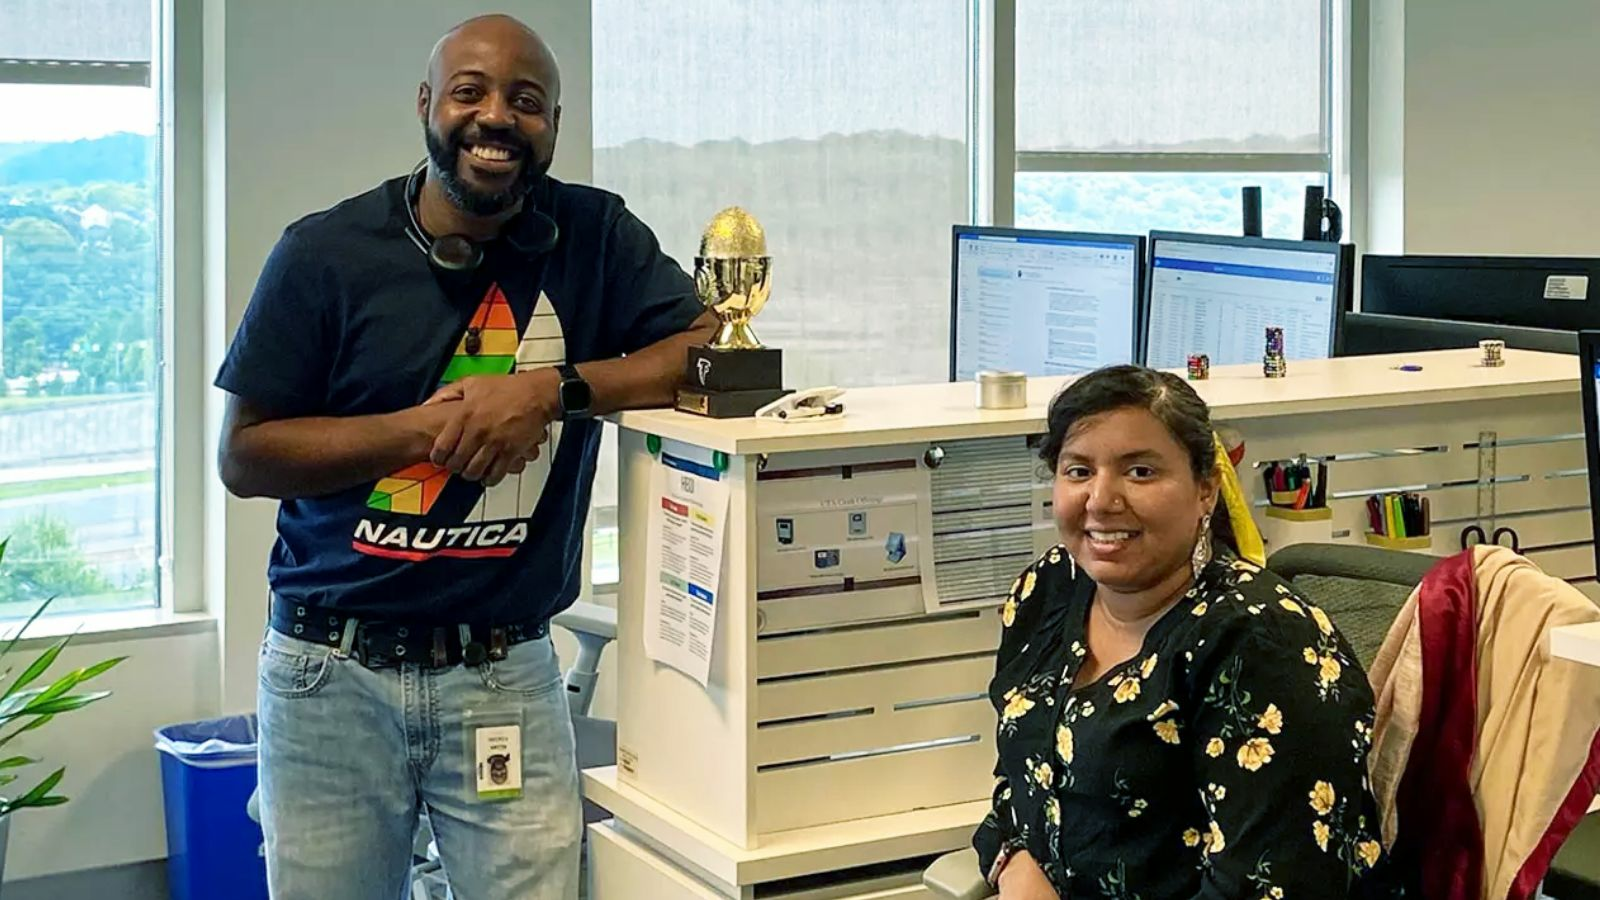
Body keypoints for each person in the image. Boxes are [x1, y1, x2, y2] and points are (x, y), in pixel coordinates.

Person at [215, 15, 713, 900]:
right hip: (330, 671)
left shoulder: (593, 236)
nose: (496, 119)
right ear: (426, 107)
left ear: (553, 125)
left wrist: (549, 392)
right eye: (470, 93)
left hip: (505, 673)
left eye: (527, 103)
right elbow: (247, 456)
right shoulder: (325, 253)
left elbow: (718, 355)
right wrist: (428, 428)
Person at [973, 366, 1398, 900]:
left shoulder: (1263, 643)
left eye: (1141, 472)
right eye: (1078, 471)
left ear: (1206, 489)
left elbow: (1269, 886)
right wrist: (1014, 865)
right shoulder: (1049, 590)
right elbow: (1018, 781)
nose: (1101, 500)